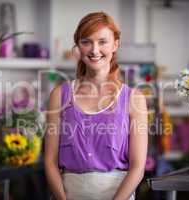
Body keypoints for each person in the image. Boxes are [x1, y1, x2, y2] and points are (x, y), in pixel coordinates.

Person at [44, 11, 148, 200]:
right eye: (86, 41)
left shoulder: (134, 99)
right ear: (78, 46)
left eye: (102, 42)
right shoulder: (59, 95)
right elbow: (50, 162)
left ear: (115, 44)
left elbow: (138, 168)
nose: (94, 50)